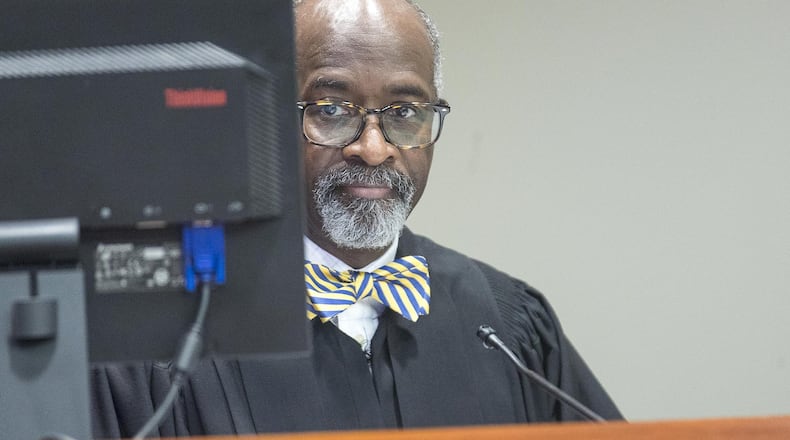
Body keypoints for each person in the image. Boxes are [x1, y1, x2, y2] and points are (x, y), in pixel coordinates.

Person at [90, 0, 621, 437]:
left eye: (405, 113)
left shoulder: (506, 322)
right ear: (268, 116)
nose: (373, 149)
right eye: (331, 109)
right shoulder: (156, 338)